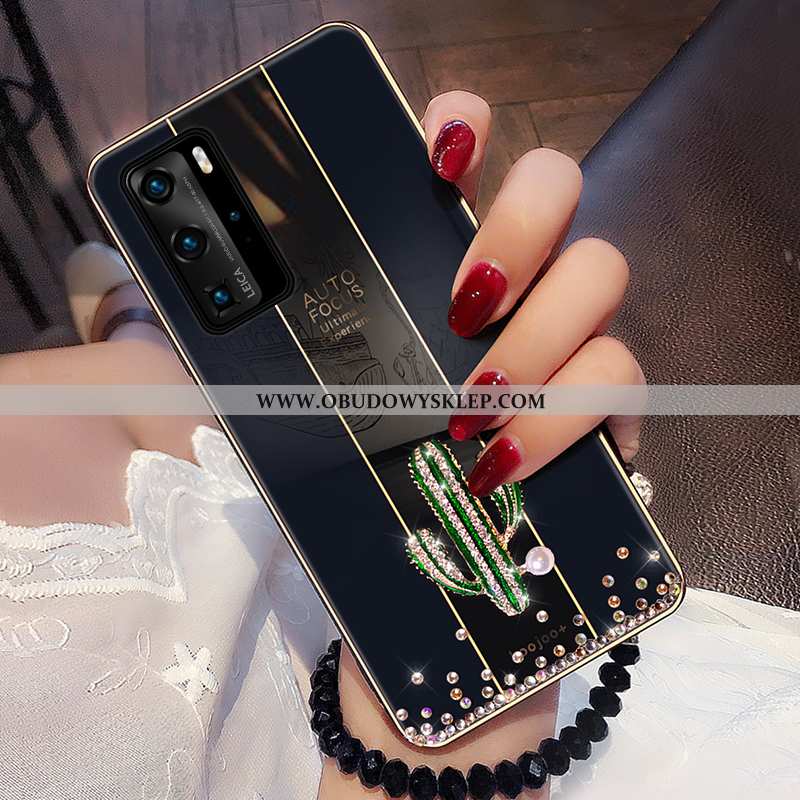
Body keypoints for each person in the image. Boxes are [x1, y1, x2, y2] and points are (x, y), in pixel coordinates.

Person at [0, 92, 797, 800]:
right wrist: (451, 736)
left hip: (230, 459)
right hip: (454, 714)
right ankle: (129, 312)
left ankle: (129, 315)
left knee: (146, 372)